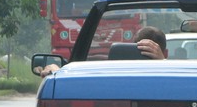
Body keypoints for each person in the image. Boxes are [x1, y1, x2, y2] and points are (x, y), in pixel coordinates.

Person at [39, 26, 168, 77]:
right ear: (165, 53)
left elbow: (76, 85)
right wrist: (163, 63)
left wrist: (56, 71)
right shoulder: (173, 78)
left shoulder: (113, 79)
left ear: (131, 50)